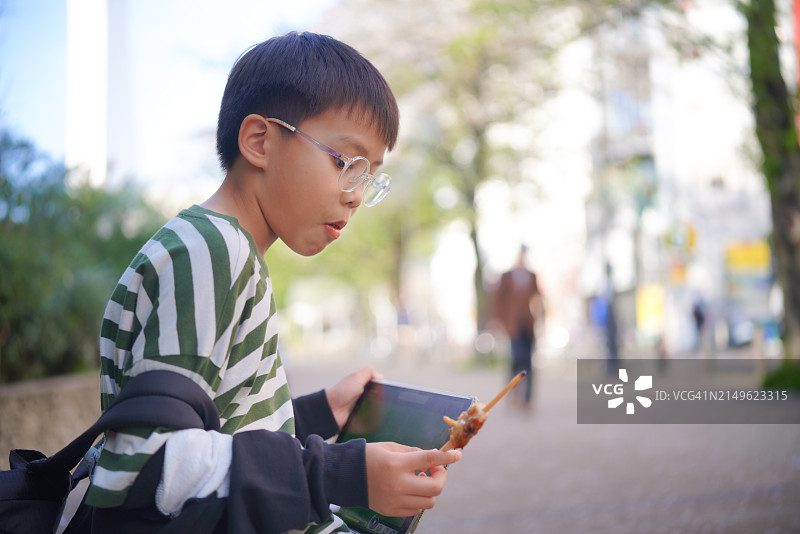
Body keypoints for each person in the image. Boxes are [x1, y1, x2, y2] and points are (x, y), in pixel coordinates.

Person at [84, 32, 461, 534]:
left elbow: (216, 432)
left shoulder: (226, 249)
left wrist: (316, 414)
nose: (355, 195)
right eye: (347, 164)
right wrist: (339, 474)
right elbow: (144, 467)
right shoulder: (212, 251)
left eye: (368, 177)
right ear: (260, 141)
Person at [490, 246, 543, 408]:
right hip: (513, 326)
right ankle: (511, 395)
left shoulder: (532, 276)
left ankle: (527, 398)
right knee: (515, 360)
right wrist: (497, 321)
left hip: (527, 325)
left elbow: (539, 298)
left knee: (528, 362)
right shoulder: (507, 276)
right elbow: (498, 299)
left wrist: (541, 319)